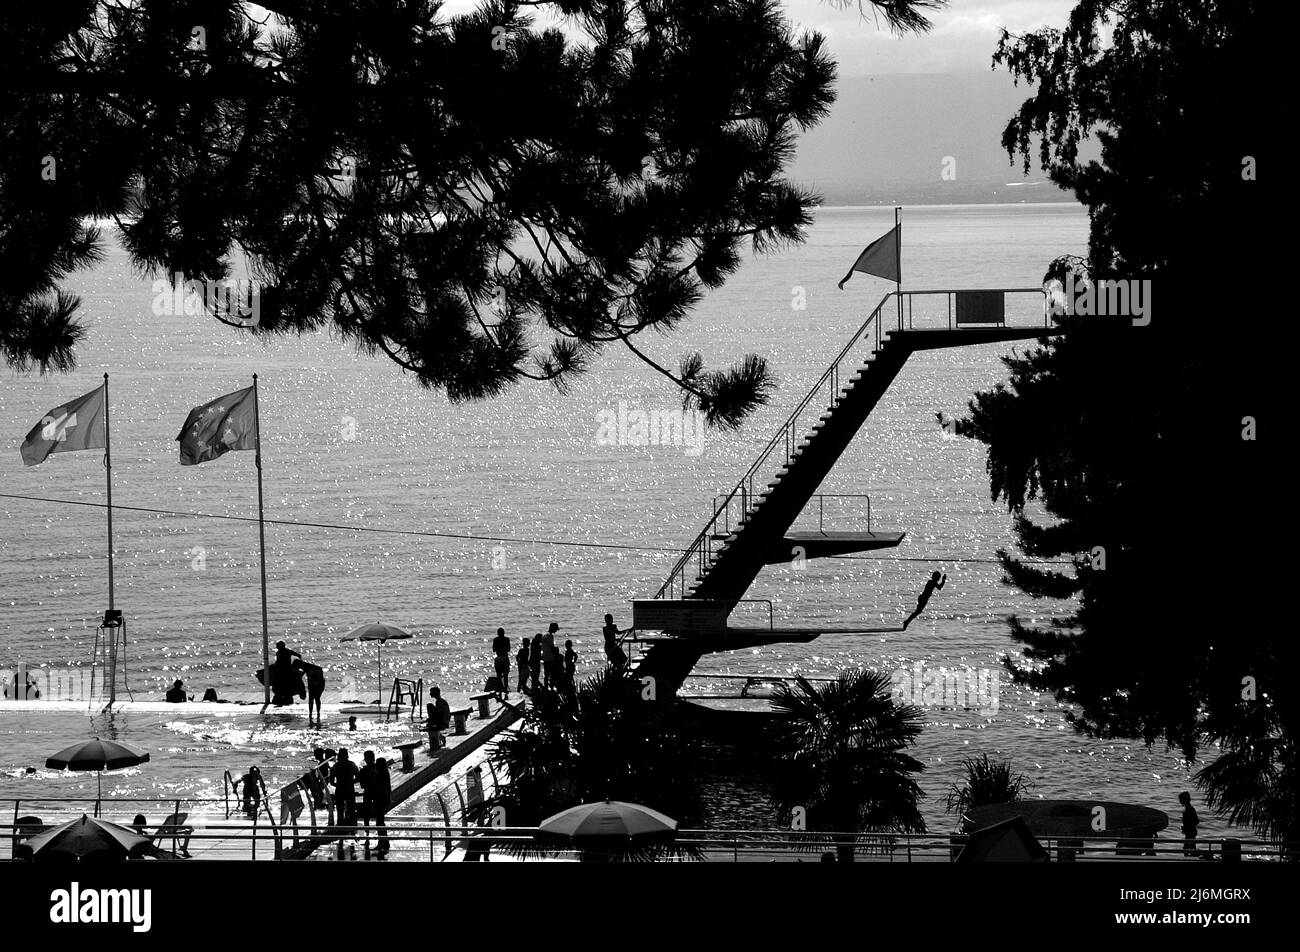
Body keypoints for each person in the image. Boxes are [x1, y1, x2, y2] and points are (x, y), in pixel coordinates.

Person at [329, 749, 360, 826]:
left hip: (339, 789)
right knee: (351, 809)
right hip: (349, 789)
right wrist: (351, 782)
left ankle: (340, 826)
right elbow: (358, 777)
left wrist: (338, 784)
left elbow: (331, 781)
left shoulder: (335, 766)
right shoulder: (352, 765)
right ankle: (353, 826)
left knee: (340, 810)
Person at [374, 757, 392, 855]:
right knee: (381, 822)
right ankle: (384, 841)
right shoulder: (385, 773)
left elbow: (379, 787)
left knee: (379, 822)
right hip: (384, 800)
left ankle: (382, 842)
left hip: (380, 800)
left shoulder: (380, 775)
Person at [1179, 791, 1199, 857]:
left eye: (1180, 800)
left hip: (1190, 832)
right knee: (1189, 848)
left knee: (1188, 849)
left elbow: (1196, 821)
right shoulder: (1188, 809)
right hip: (1190, 832)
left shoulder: (1190, 809)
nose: (1180, 801)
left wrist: (1187, 826)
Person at [492, 628, 511, 699]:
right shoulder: (507, 639)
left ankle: (500, 690)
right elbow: (508, 649)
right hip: (505, 658)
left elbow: (494, 649)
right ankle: (505, 689)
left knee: (499, 676)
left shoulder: (495, 640)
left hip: (498, 657)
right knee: (506, 675)